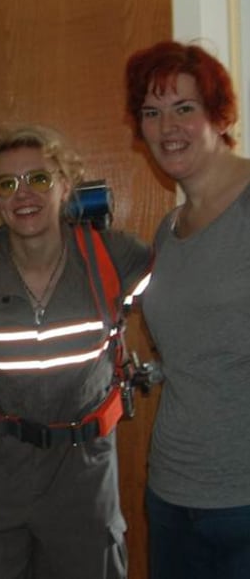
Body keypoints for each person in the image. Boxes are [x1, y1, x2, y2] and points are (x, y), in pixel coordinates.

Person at [0, 124, 151, 579]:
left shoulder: (111, 254)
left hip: (83, 469)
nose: (23, 195)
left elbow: (191, 302)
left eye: (39, 178)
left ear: (65, 183)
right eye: (6, 184)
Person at [124, 40, 250, 579]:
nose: (166, 126)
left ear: (218, 116)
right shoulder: (169, 231)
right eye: (152, 112)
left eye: (184, 108)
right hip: (174, 491)